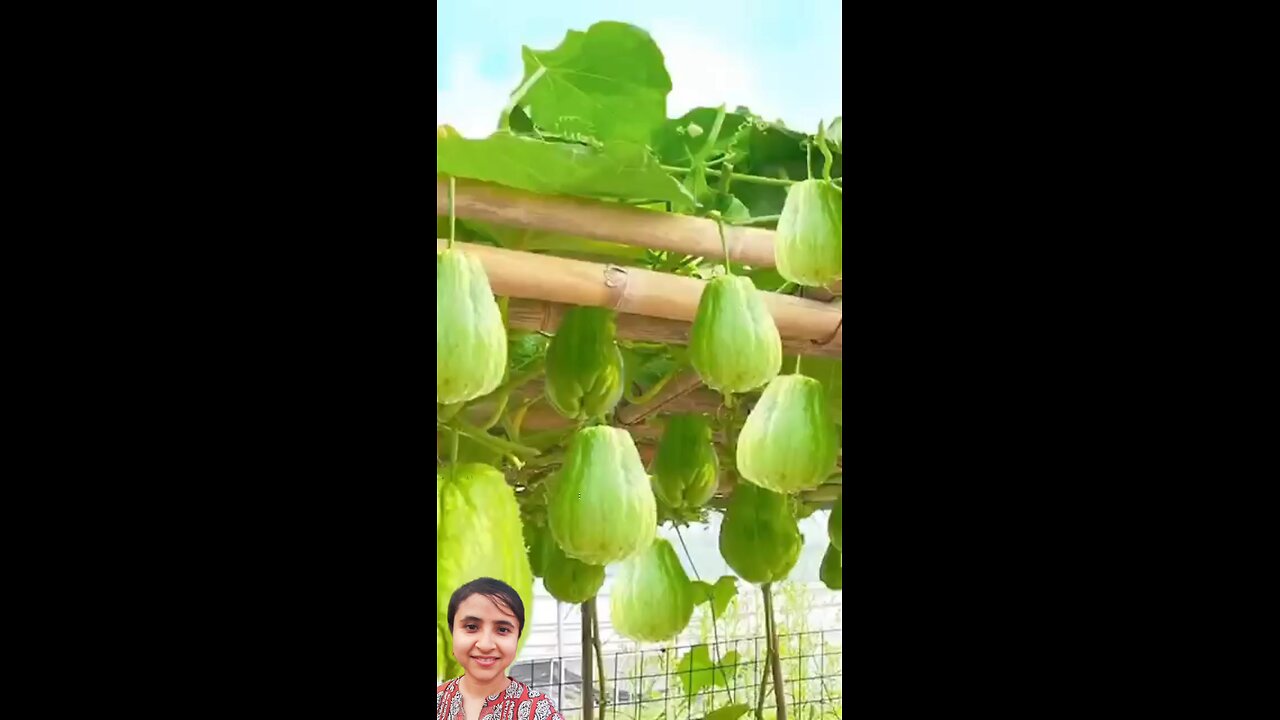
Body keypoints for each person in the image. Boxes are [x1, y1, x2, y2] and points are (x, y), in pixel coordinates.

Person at [437, 577, 566, 720]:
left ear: (517, 637)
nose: (485, 645)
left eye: (502, 630)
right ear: (452, 632)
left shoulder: (539, 712)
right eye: (472, 627)